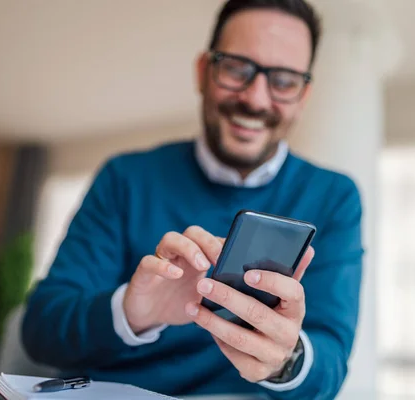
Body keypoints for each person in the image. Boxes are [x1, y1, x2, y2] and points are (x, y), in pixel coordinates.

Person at [21, 0, 363, 399]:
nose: (255, 99)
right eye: (237, 68)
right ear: (204, 71)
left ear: (303, 96)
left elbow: (331, 365)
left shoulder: (335, 197)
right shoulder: (124, 178)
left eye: (283, 81)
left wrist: (285, 358)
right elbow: (40, 330)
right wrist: (131, 312)